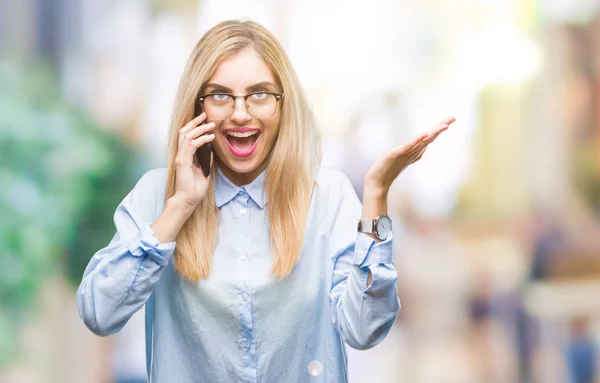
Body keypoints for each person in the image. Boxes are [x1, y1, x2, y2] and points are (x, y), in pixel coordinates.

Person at [76, 19, 454, 382]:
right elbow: (99, 313)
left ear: (283, 104)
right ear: (197, 107)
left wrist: (376, 195)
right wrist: (179, 207)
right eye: (220, 95)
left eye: (259, 94)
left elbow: (365, 329)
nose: (241, 114)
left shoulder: (328, 196)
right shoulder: (157, 195)